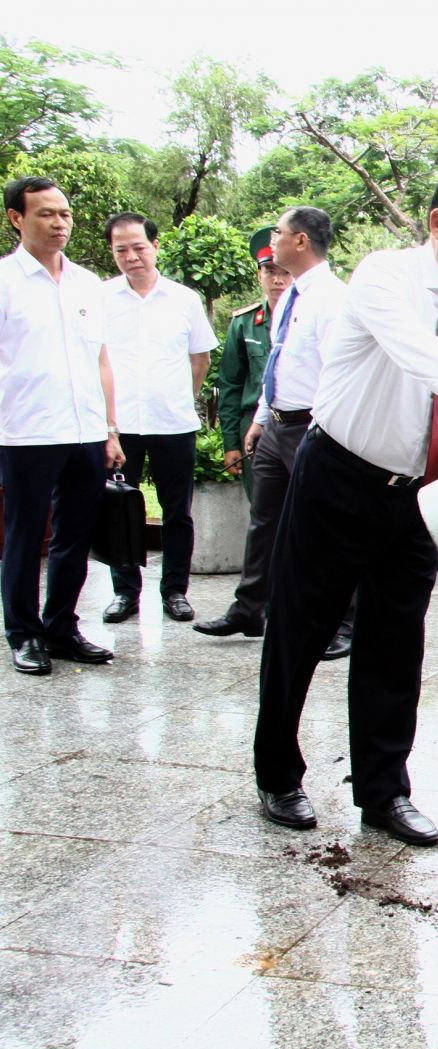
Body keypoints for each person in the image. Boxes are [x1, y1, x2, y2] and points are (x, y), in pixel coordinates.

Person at [251, 169, 438, 847]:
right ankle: (278, 773)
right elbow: (420, 357)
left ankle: (384, 793)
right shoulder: (382, 277)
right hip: (339, 477)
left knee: (395, 642)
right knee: (301, 626)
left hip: (417, 495)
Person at [194, 207, 353, 660]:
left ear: (300, 241)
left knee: (327, 531)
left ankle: (342, 622)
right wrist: (261, 418)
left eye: (280, 233)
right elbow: (280, 362)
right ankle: (250, 608)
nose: (275, 240)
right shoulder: (291, 296)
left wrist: (321, 435)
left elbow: (336, 375)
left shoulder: (331, 299)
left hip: (313, 428)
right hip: (278, 426)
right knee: (264, 523)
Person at [0, 176, 123, 675]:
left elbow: (100, 359)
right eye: (46, 214)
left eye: (65, 213)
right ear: (16, 218)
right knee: (26, 536)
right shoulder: (5, 281)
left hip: (86, 431)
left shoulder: (88, 284)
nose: (59, 223)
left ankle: (62, 627)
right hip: (27, 431)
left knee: (76, 535)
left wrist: (111, 430)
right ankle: (24, 634)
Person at [99, 212, 217, 625]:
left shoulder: (184, 299)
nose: (131, 257)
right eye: (121, 250)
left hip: (173, 423)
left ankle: (175, 592)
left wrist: (182, 398)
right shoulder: (101, 299)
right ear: (113, 253)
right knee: (119, 509)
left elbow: (199, 359)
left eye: (139, 247)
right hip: (120, 426)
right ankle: (125, 592)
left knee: (177, 512)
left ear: (155, 246)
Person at [216, 227, 291, 497]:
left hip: (298, 426)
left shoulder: (309, 317)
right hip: (255, 430)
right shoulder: (243, 323)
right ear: (260, 275)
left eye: (285, 272)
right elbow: (230, 385)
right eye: (270, 271)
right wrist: (230, 443)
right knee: (262, 510)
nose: (278, 280)